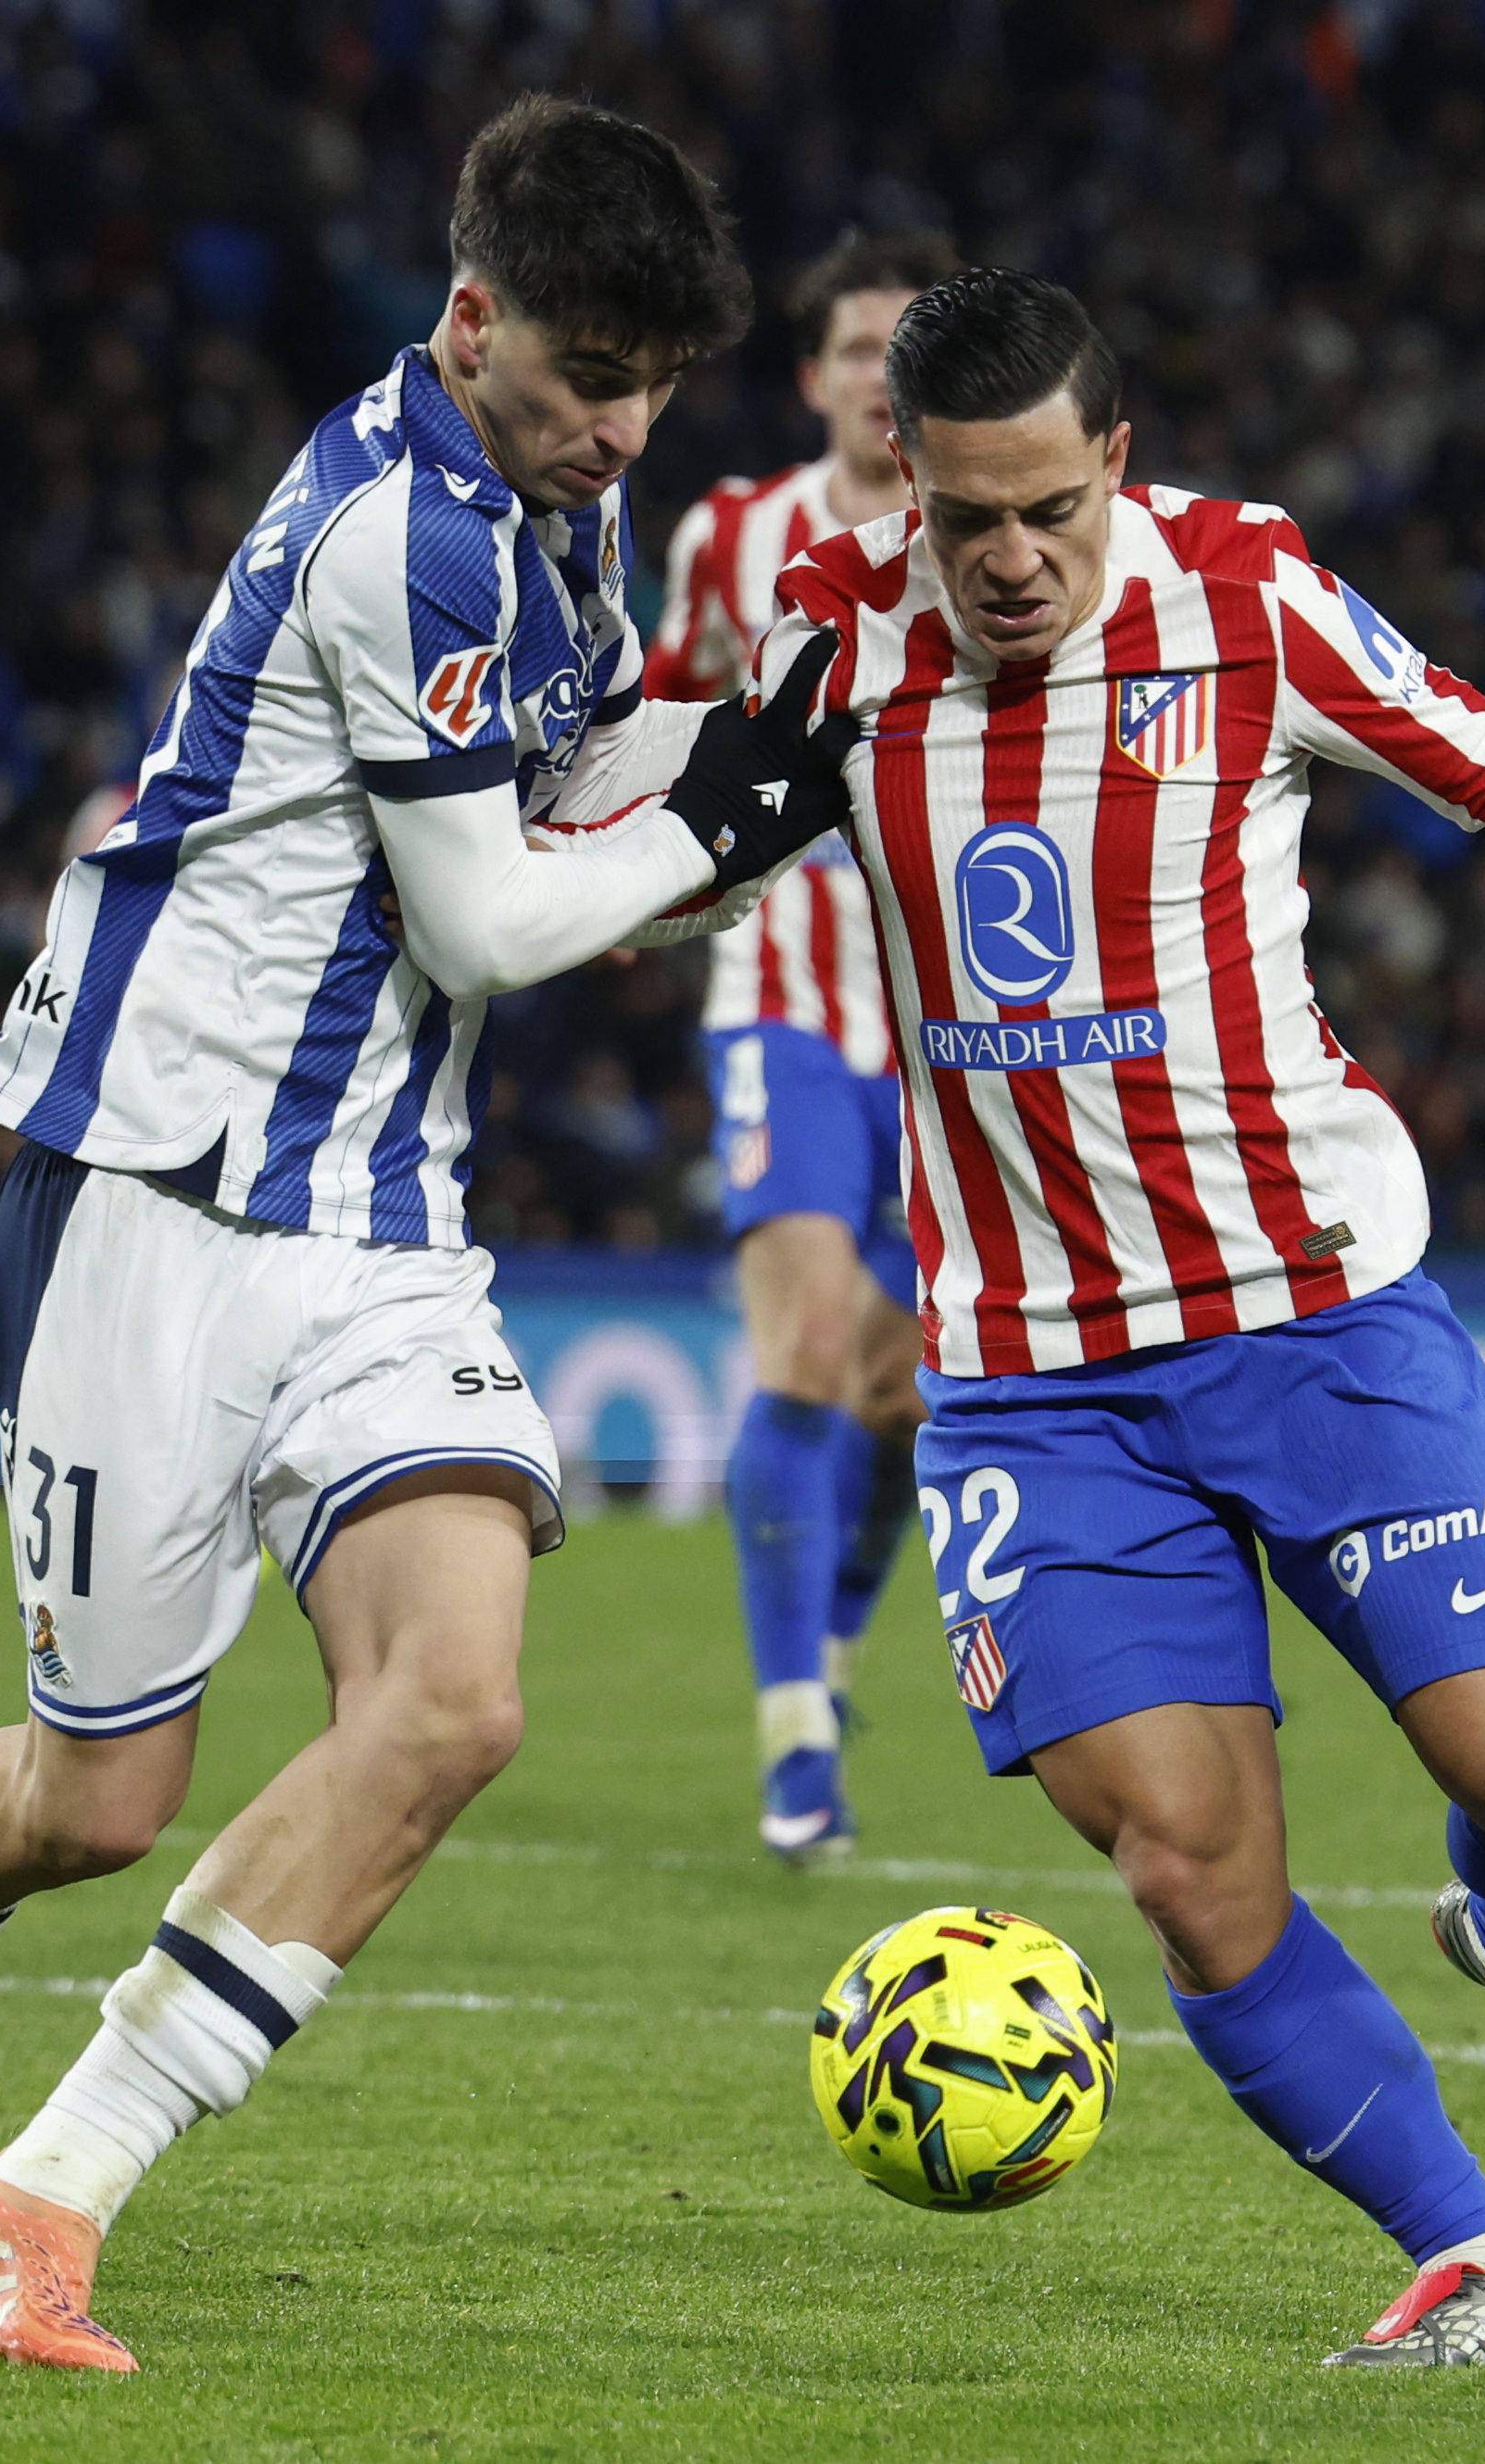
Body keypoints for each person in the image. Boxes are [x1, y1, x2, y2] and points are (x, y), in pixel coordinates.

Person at [0, 96, 844, 2373]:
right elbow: (485, 920)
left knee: (452, 1700)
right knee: (91, 1803)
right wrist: (729, 820)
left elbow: (568, 790)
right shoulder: (398, 537)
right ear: (470, 320)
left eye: (655, 388)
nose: (622, 429)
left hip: (376, 1220)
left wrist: (755, 766)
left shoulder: (559, 503)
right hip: (151, 1193)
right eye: (588, 378)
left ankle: (40, 2192)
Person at [743, 270, 1485, 2366]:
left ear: (1117, 463)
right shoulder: (829, 637)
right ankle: (1475, 2259)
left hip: (1317, 1312)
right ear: (905, 478)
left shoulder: (1245, 600)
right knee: (1189, 1863)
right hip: (1037, 1389)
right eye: (967, 517)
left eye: (1051, 509)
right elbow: (649, 829)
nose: (1010, 558)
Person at [645, 229, 959, 1862]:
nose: (877, 383)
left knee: (916, 1391)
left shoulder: (1002, 548)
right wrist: (628, 874)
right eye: (855, 350)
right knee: (807, 1340)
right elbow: (666, 715)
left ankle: (828, 1658)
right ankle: (792, 1744)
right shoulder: (735, 538)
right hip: (782, 992)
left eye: (909, 356)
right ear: (814, 377)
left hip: (957, 1019)